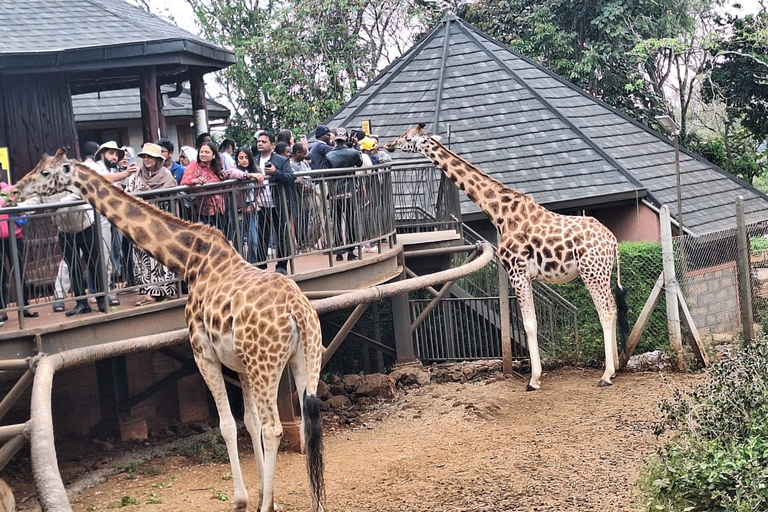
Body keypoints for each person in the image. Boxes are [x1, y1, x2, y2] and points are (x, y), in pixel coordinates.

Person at [122, 143, 179, 306]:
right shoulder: (137, 175)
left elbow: (171, 196)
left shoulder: (166, 175)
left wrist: (153, 194)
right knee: (143, 257)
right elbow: (128, 194)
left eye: (150, 157)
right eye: (144, 157)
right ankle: (148, 291)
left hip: (160, 223)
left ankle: (164, 290)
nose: (146, 160)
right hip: (140, 223)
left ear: (157, 159)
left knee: (160, 256)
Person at [254, 131, 295, 275]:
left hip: (278, 203)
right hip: (261, 205)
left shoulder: (281, 160)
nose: (260, 144)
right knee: (261, 236)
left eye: (263, 142)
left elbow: (291, 177)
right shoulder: (253, 161)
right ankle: (260, 265)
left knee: (281, 234)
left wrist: (276, 172)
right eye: (258, 141)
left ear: (272, 145)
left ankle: (282, 265)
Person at [0, 182, 37, 324]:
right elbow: (7, 201)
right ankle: (1, 311)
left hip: (14, 236)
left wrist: (6, 200)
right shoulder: (8, 191)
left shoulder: (9, 188)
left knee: (19, 272)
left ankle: (24, 307)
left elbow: (18, 198)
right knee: (0, 274)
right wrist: (5, 201)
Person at [326, 127, 363, 261]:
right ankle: (351, 251)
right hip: (350, 191)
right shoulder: (352, 153)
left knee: (336, 221)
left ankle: (339, 251)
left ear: (335, 140)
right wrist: (357, 146)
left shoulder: (328, 155)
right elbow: (360, 163)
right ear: (346, 138)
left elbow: (326, 172)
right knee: (350, 221)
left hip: (334, 192)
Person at [227, 146, 264, 263]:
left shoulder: (257, 169)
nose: (244, 160)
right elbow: (233, 173)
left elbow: (261, 190)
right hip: (236, 208)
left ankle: (251, 262)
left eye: (246, 157)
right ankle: (239, 263)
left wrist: (255, 204)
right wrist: (248, 176)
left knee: (253, 239)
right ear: (237, 158)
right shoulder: (234, 169)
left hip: (252, 206)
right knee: (238, 238)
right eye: (241, 157)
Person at [181, 141, 226, 231]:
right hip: (203, 211)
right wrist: (195, 181)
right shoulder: (194, 165)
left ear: (213, 155)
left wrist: (223, 177)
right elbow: (184, 182)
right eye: (201, 152)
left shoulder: (215, 168)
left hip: (219, 209)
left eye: (207, 152)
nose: (203, 154)